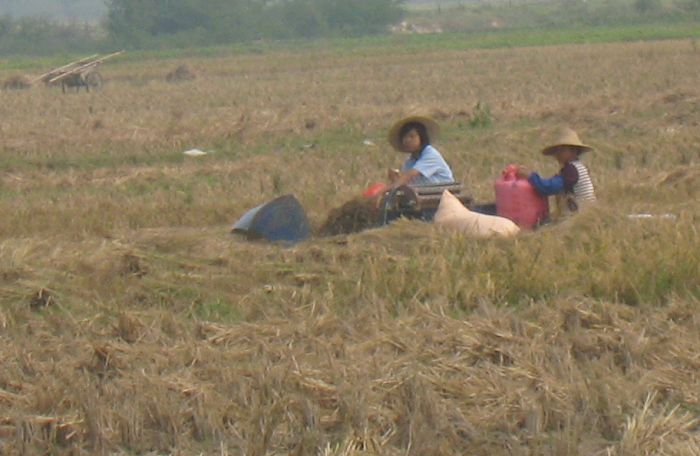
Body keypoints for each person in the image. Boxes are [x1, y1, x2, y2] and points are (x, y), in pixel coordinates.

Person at [517, 128, 596, 215]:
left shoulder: (571, 170)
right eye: (557, 151)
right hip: (588, 211)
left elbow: (548, 188)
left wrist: (531, 176)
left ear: (573, 151)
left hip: (580, 214)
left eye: (562, 150)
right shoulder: (578, 167)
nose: (557, 154)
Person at [387, 115, 454, 189]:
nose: (407, 140)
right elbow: (405, 184)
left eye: (412, 136)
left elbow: (409, 175)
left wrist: (384, 190)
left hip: (444, 193)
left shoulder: (430, 154)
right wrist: (395, 179)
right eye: (404, 137)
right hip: (426, 193)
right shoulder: (409, 162)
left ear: (421, 137)